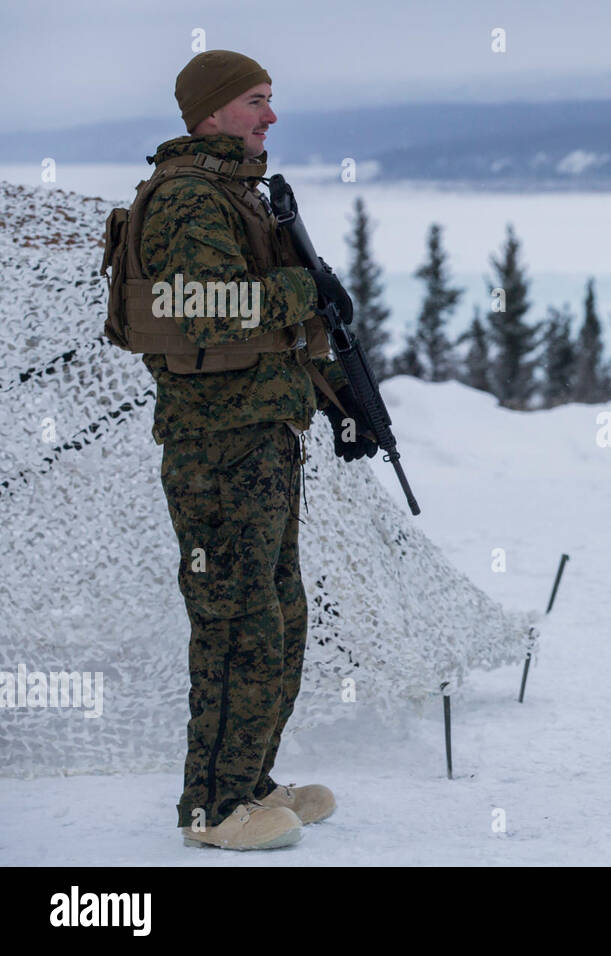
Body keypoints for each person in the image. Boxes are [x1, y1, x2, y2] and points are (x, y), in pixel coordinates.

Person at [118, 50, 378, 849]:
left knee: (280, 618)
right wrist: (307, 289)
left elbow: (272, 337)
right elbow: (203, 309)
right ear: (211, 112)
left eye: (270, 101)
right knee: (238, 624)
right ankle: (213, 809)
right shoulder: (190, 197)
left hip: (261, 439)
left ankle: (249, 782)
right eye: (256, 102)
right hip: (216, 448)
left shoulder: (238, 192)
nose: (270, 116)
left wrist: (341, 404)